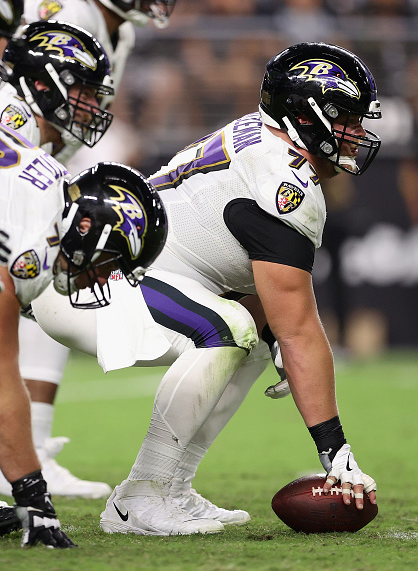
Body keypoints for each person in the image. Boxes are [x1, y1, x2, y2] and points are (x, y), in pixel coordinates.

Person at [29, 42, 380, 536]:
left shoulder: (269, 142)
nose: (359, 133)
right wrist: (335, 449)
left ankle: (172, 487)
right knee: (233, 327)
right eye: (348, 118)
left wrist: (280, 340)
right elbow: (301, 329)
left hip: (130, 274)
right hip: (96, 277)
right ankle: (142, 497)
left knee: (254, 333)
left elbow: (273, 305)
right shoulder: (285, 179)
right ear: (307, 117)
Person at [1, 0, 180, 500]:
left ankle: (25, 451)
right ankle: (25, 452)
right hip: (25, 156)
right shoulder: (61, 10)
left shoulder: (111, 26)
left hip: (35, 155)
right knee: (28, 279)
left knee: (31, 286)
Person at [0, 144, 167, 547]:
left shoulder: (48, 198)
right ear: (87, 228)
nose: (102, 278)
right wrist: (34, 499)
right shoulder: (31, 244)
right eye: (110, 263)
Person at [0, 18, 118, 498]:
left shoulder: (30, 123)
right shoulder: (14, 119)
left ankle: (30, 451)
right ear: (42, 84)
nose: (92, 106)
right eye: (84, 92)